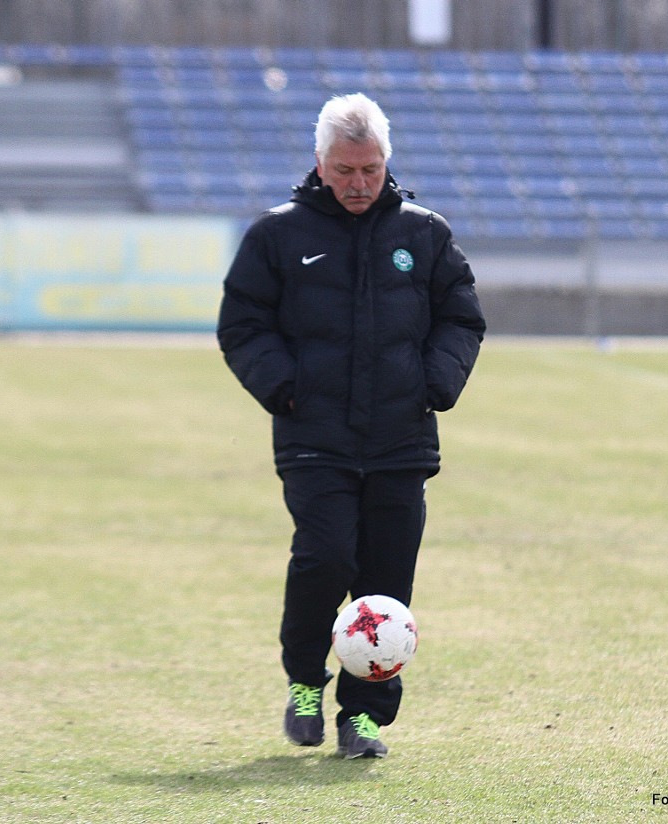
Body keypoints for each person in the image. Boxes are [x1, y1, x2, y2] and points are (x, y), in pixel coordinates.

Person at [217, 93, 486, 759]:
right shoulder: (277, 236)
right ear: (319, 163)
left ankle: (362, 718)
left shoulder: (425, 234)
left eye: (369, 170)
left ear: (385, 163)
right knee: (326, 555)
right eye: (344, 171)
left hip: (401, 440)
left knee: (385, 583)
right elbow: (243, 324)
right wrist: (284, 389)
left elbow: (461, 316)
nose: (359, 184)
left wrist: (436, 382)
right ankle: (305, 684)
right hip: (315, 438)